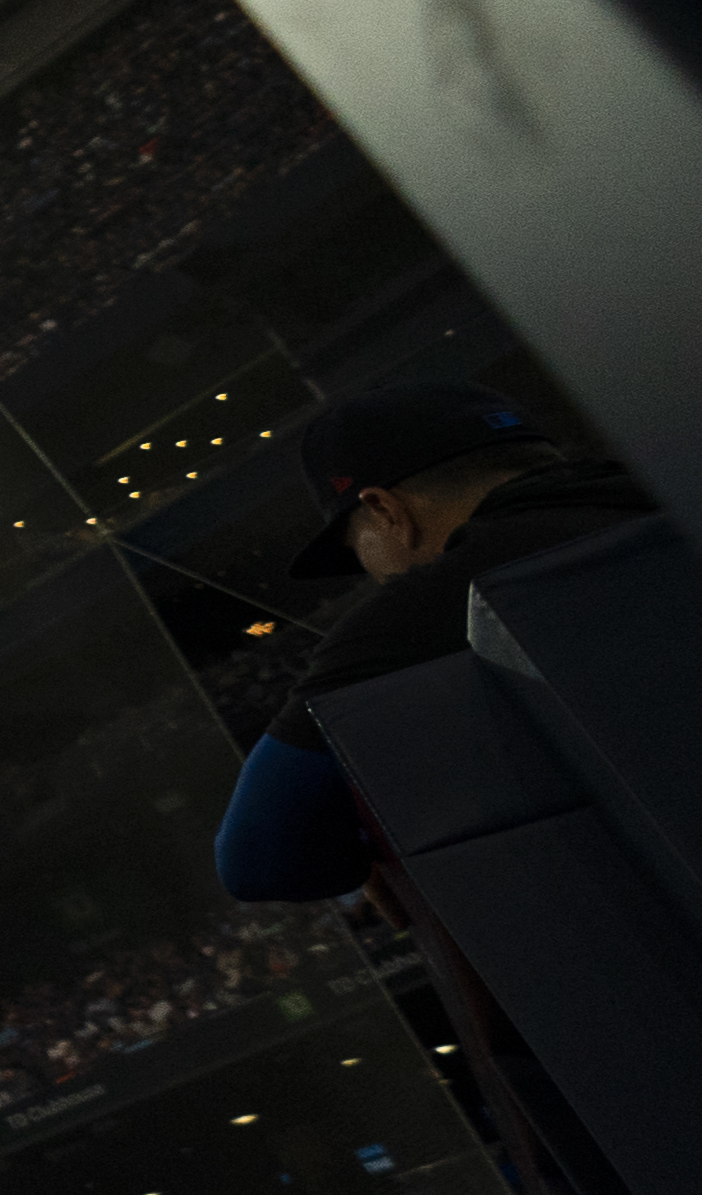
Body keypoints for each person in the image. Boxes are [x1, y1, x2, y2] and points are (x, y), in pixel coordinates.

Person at [211, 383, 655, 906]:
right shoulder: (695, 495)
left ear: (385, 510)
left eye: (358, 548)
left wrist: (379, 844)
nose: (372, 574)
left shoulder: (424, 610)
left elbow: (258, 862)